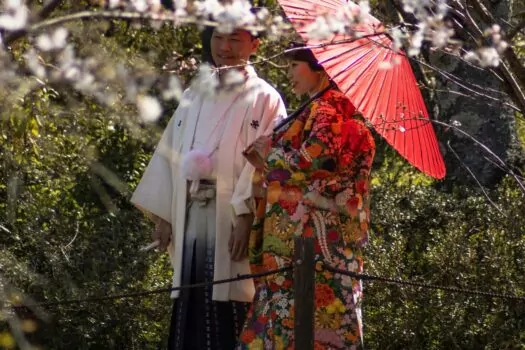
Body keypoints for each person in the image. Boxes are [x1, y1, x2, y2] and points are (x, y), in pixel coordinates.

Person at [131, 27, 286, 350]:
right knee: (191, 297)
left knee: (232, 300)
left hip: (233, 214)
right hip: (191, 213)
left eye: (234, 39)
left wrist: (246, 217)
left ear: (255, 44)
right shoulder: (195, 93)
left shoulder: (266, 98)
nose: (224, 47)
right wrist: (165, 215)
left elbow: (267, 164)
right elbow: (171, 152)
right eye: (218, 38)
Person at [237, 42, 376, 349]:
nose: (288, 74)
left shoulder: (329, 110)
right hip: (317, 241)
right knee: (318, 319)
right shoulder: (323, 108)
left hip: (311, 241)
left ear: (320, 67)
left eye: (294, 65)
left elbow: (316, 163)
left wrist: (269, 155)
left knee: (307, 319)